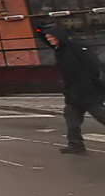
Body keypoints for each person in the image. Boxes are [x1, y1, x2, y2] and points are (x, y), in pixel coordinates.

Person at [39, 24, 105, 155]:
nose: (50, 39)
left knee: (101, 116)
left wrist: (84, 84)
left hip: (88, 92)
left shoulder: (75, 47)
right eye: (48, 38)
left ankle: (75, 144)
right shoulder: (59, 51)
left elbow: (92, 65)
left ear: (59, 36)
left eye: (51, 37)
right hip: (73, 93)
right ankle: (75, 144)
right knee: (71, 119)